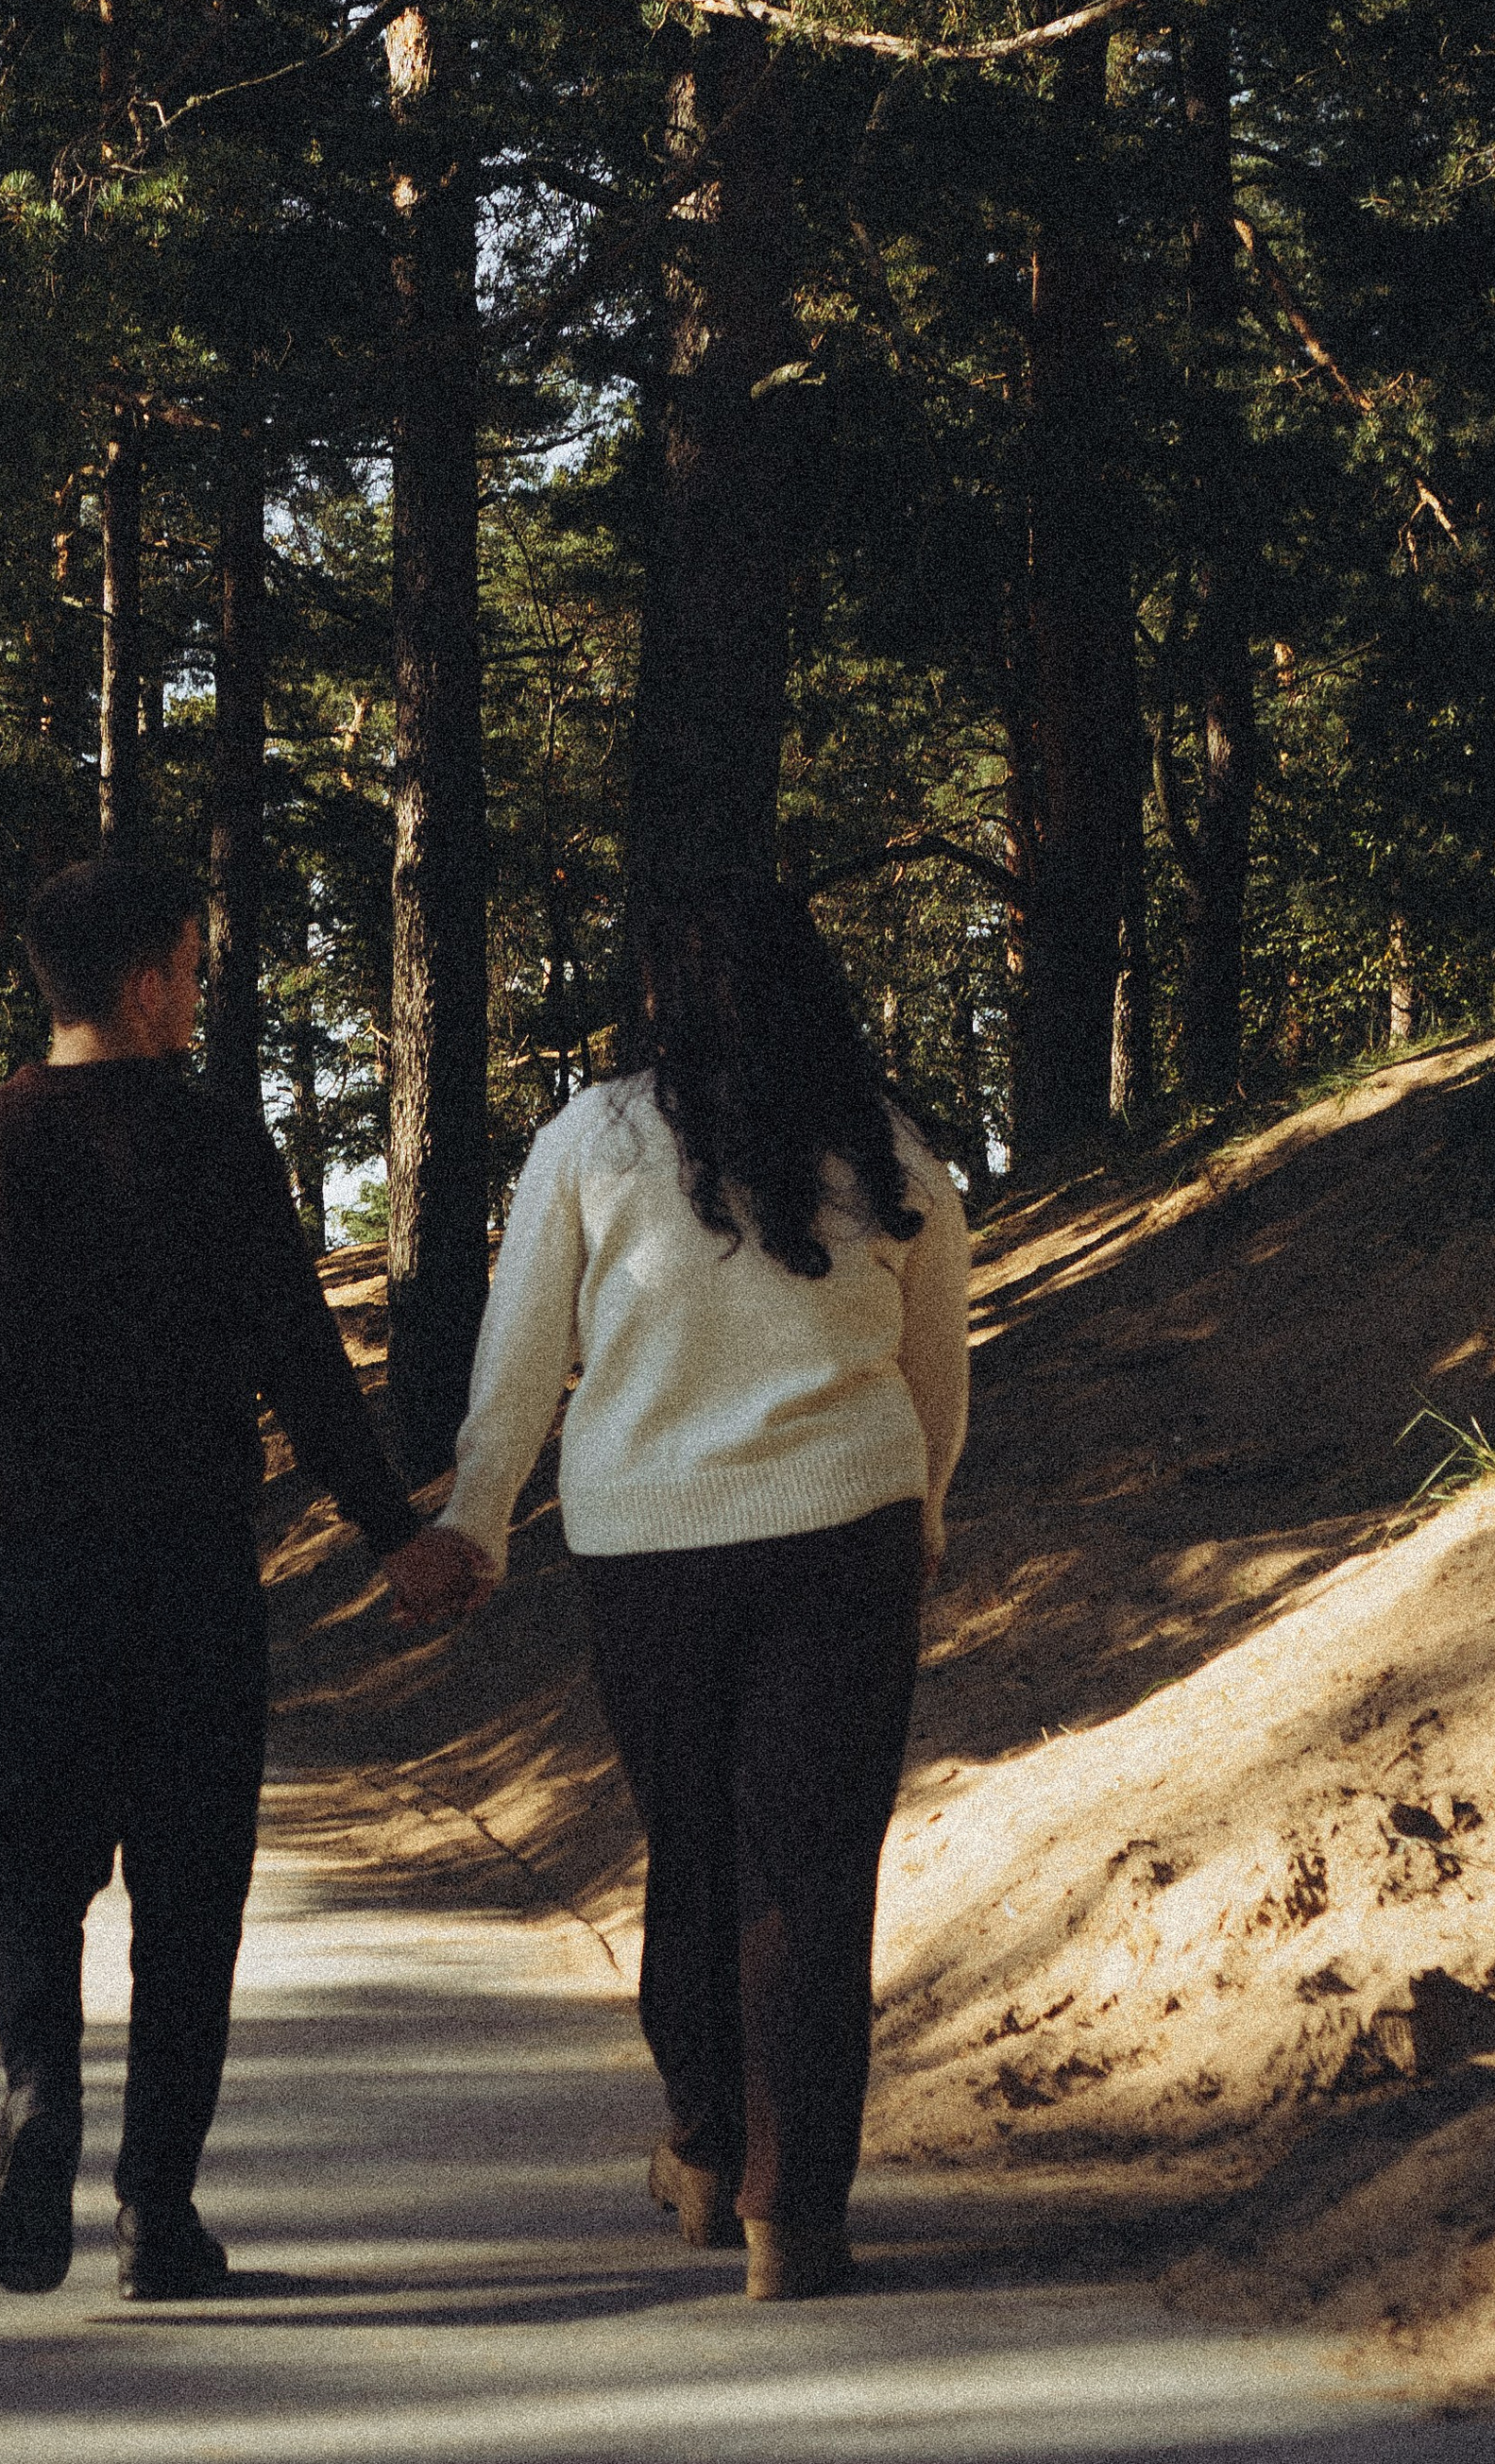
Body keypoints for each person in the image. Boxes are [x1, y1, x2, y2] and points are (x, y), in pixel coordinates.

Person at [0, 853, 474, 2303]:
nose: (199, 996)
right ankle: (159, 2216)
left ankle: (37, 2089)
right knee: (189, 1898)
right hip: (194, 1577)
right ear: (148, 980)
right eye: (195, 969)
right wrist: (393, 1536)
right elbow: (300, 1360)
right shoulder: (218, 1148)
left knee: (26, 1865)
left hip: (32, 1571)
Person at [432, 874, 970, 2302]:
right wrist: (920, 1515)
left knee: (695, 1848)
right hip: (843, 1534)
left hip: (647, 1550)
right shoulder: (890, 1149)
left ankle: (702, 2139)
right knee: (813, 1871)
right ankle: (794, 2211)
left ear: (662, 996)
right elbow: (937, 1378)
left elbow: (520, 1357)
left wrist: (478, 1525)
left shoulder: (591, 1141)